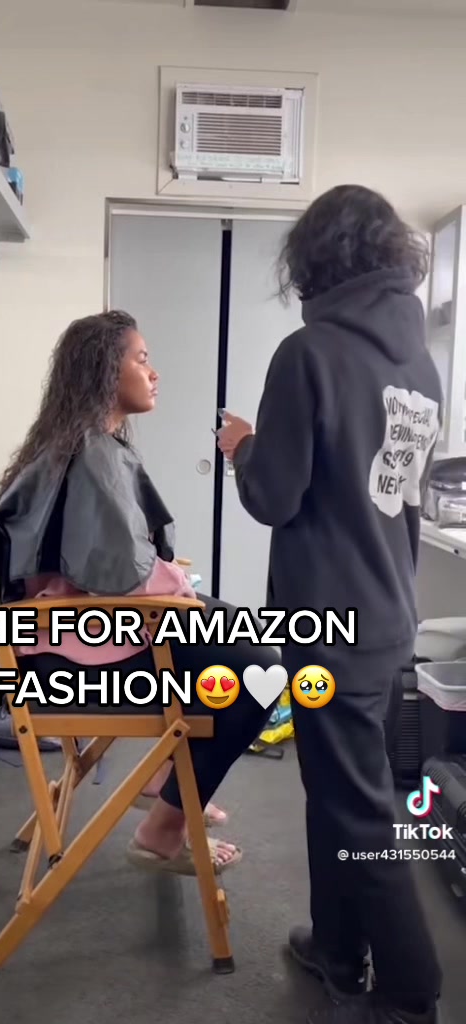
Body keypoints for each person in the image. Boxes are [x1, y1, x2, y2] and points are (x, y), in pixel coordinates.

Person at [216, 186, 444, 1024]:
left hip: (330, 626)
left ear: (315, 258)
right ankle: (339, 949)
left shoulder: (307, 353)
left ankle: (412, 994)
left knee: (361, 810)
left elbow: (274, 496)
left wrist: (243, 447)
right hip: (386, 618)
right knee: (339, 792)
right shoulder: (421, 366)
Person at [0, 310, 281, 876]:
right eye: (141, 360)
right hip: (76, 652)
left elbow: (112, 564)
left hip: (65, 632)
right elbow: (122, 578)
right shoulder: (91, 453)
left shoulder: (81, 444)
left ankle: (168, 780)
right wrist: (176, 590)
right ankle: (162, 831)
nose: (154, 373)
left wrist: (175, 588)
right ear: (104, 372)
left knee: (237, 634)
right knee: (260, 670)